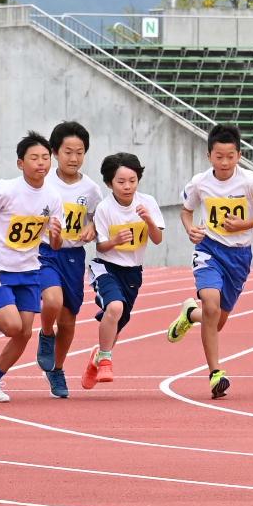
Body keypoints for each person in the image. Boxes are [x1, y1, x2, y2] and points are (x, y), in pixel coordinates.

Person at [168, 124, 253, 400]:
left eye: (230, 156)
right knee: (210, 301)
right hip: (210, 249)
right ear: (209, 156)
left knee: (215, 320)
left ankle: (188, 314)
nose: (224, 162)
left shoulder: (252, 182)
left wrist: (246, 223)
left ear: (239, 155)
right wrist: (190, 228)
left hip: (239, 256)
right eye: (219, 156)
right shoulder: (200, 182)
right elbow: (186, 210)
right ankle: (215, 373)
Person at [0, 132, 60, 404]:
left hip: (29, 268)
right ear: (21, 163)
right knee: (12, 326)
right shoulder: (7, 189)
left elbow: (54, 244)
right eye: (34, 158)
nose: (41, 163)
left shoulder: (52, 197)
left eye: (45, 157)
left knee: (25, 333)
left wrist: (55, 233)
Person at [80, 152, 164, 389]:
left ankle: (96, 359)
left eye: (132, 181)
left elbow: (157, 239)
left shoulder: (147, 202)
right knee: (114, 307)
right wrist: (115, 241)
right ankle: (106, 360)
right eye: (121, 182)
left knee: (117, 321)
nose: (127, 186)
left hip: (133, 273)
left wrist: (148, 221)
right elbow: (100, 245)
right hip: (107, 267)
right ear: (109, 183)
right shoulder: (105, 208)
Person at [34, 120, 104, 399]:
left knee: (69, 321)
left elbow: (100, 217)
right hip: (45, 252)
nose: (74, 158)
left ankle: (57, 369)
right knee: (53, 301)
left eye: (80, 152)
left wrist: (93, 228)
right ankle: (45, 334)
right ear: (54, 153)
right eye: (68, 152)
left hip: (74, 256)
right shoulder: (43, 182)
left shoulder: (91, 190)